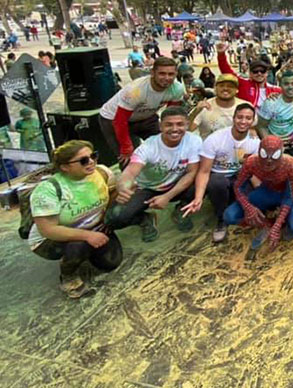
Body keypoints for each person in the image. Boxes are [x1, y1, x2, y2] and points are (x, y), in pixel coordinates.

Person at [28, 141, 121, 298]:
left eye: (93, 156)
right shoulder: (48, 190)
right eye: (83, 160)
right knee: (79, 245)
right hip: (51, 238)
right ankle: (68, 276)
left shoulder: (102, 173)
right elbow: (48, 230)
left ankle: (85, 252)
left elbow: (112, 193)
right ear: (65, 167)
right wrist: (88, 236)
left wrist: (105, 219)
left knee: (111, 262)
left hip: (93, 226)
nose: (91, 162)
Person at [107, 107, 201, 242]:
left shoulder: (194, 141)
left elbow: (191, 173)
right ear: (160, 126)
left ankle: (181, 208)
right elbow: (130, 172)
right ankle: (145, 218)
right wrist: (123, 187)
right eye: (169, 124)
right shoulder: (148, 147)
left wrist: (167, 197)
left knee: (205, 179)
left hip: (176, 184)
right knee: (115, 218)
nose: (174, 129)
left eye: (180, 124)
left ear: (187, 125)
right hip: (148, 188)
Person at [182, 103, 260, 243]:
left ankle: (233, 202)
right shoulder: (215, 139)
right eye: (240, 117)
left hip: (239, 176)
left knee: (249, 205)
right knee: (217, 182)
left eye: (248, 118)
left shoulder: (255, 142)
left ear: (253, 121)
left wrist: (262, 193)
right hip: (218, 176)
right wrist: (198, 197)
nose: (243, 121)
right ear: (233, 118)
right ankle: (220, 219)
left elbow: (253, 172)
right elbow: (204, 171)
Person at [99, 57, 186, 167]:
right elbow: (120, 121)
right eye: (162, 74)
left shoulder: (177, 89)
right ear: (152, 73)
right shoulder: (136, 90)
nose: (166, 78)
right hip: (113, 118)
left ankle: (167, 177)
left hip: (145, 116)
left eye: (170, 74)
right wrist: (126, 147)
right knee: (129, 158)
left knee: (168, 144)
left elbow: (170, 116)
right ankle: (131, 182)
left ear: (176, 74)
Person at [223, 135, 293, 248]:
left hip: (289, 193)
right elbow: (238, 187)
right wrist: (248, 208)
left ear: (281, 154)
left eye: (275, 156)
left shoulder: (291, 165)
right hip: (268, 190)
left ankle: (283, 222)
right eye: (264, 154)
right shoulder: (251, 162)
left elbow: (289, 196)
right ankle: (266, 223)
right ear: (259, 151)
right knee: (229, 215)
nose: (269, 160)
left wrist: (277, 226)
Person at [216, 41, 280, 112]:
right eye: (255, 71)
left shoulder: (276, 90)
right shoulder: (243, 84)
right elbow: (226, 71)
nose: (259, 73)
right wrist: (221, 54)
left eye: (262, 71)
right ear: (250, 73)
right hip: (245, 121)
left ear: (267, 73)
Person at [188, 73, 251, 140]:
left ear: (237, 90)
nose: (225, 88)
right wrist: (195, 112)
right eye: (221, 86)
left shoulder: (247, 107)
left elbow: (253, 129)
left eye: (230, 86)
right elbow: (188, 129)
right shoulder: (203, 107)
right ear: (215, 88)